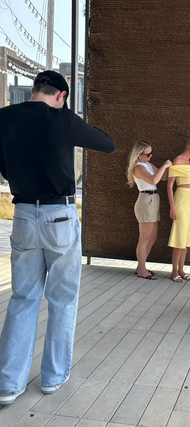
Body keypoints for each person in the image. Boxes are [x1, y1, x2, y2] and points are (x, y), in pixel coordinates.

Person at [0, 70, 116, 405]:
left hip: (22, 214)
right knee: (62, 299)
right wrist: (67, 119)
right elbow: (107, 144)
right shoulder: (62, 119)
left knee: (23, 298)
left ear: (34, 90)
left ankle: (9, 383)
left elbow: (5, 167)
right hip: (60, 217)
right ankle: (52, 377)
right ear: (61, 95)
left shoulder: (5, 117)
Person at [127, 140, 172, 279]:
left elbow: (162, 177)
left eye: (151, 153)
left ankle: (141, 266)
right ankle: (142, 270)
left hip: (153, 199)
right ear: (139, 154)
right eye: (148, 154)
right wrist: (164, 165)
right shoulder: (138, 167)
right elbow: (153, 181)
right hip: (146, 199)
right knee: (144, 238)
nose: (150, 156)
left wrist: (167, 168)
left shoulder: (147, 164)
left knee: (152, 237)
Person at [167, 137, 190, 282]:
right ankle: (174, 271)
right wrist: (172, 206)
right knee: (179, 235)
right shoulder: (177, 161)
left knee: (187, 236)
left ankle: (181, 270)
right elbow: (170, 185)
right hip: (181, 198)